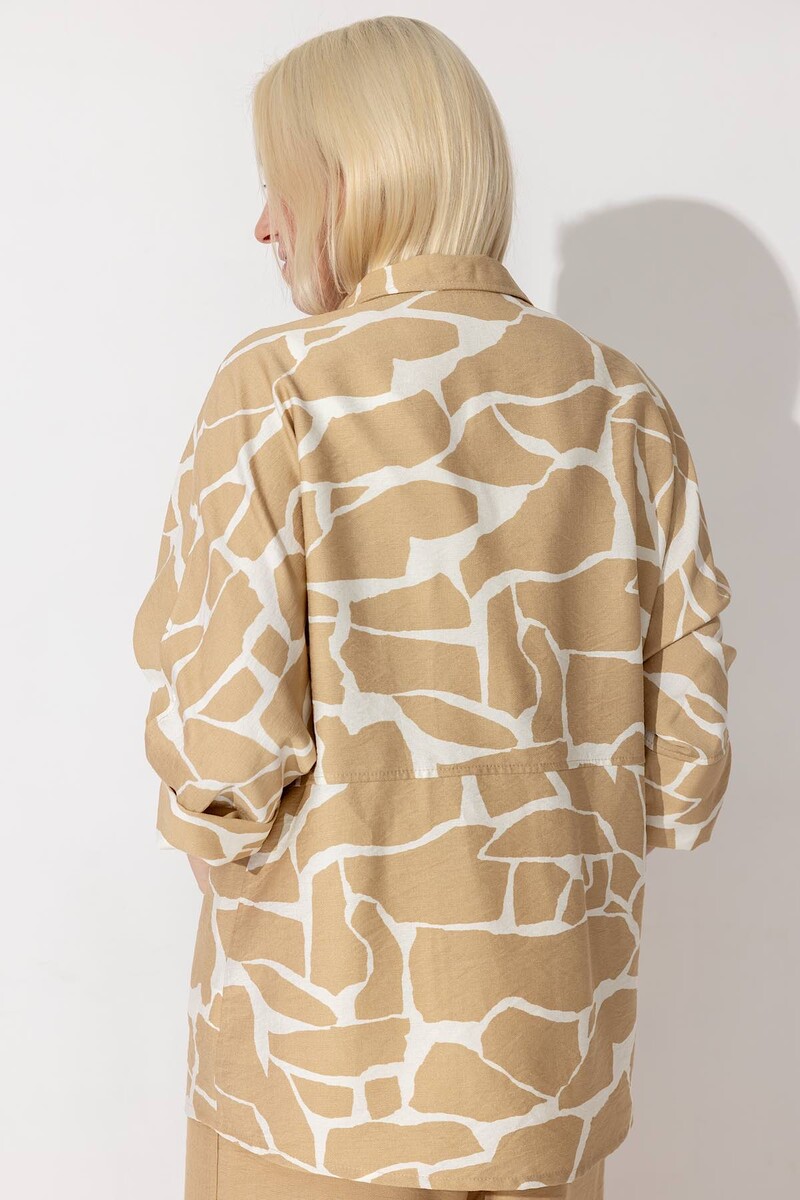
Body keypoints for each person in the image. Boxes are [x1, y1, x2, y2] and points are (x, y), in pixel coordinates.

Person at [131, 15, 737, 1200]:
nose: (262, 223)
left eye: (278, 183)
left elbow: (223, 755)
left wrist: (210, 835)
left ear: (349, 179)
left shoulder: (279, 388)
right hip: (548, 1079)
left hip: (320, 1083)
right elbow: (684, 777)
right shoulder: (623, 404)